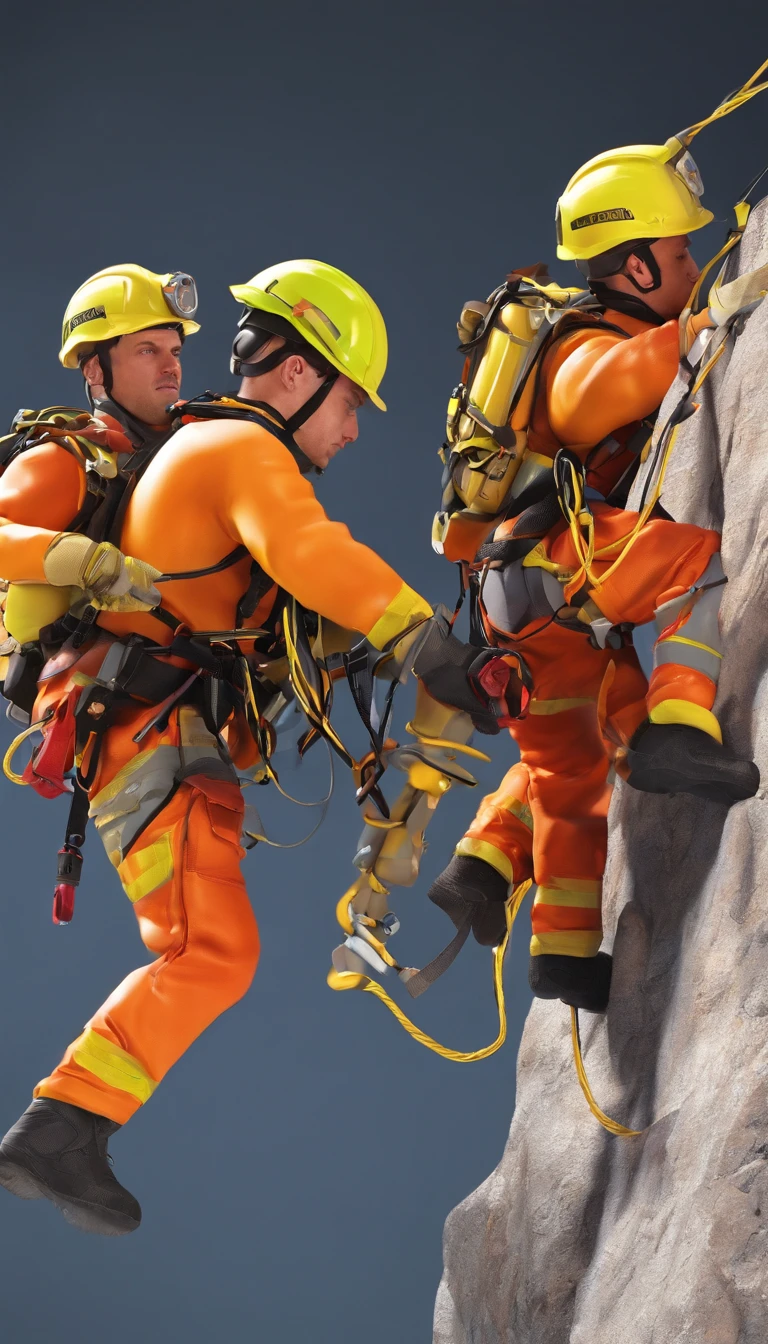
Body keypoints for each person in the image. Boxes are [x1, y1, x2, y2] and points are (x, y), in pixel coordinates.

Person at [0, 259, 522, 1236]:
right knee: (212, 952)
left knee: (213, 952)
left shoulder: (211, 449)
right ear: (295, 375)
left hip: (175, 734)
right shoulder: (240, 453)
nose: (357, 426)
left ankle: (66, 1125)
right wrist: (423, 640)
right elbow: (313, 557)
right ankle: (60, 1127)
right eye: (350, 401)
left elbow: (297, 600)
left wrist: (436, 666)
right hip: (143, 733)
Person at [427, 139, 759, 1014]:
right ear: (640, 263)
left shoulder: (590, 337)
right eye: (682, 252)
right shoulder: (583, 344)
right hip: (555, 557)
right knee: (696, 563)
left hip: (520, 606)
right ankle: (681, 727)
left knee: (572, 777)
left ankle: (564, 955)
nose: (693, 263)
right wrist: (700, 327)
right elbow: (595, 392)